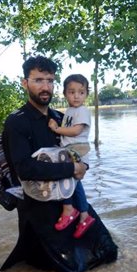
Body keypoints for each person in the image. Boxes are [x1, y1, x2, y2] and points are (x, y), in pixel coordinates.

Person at [0, 55, 118, 272]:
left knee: (107, 251)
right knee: (67, 269)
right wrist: (72, 169)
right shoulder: (17, 121)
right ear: (25, 83)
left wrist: (82, 167)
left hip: (68, 198)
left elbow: (78, 149)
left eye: (50, 80)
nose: (45, 87)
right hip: (37, 205)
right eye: (38, 80)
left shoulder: (60, 118)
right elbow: (24, 168)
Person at [48, 74, 94, 238]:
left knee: (65, 177)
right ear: (65, 93)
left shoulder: (82, 111)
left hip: (77, 150)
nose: (76, 96)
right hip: (70, 150)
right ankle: (84, 214)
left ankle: (69, 208)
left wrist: (56, 129)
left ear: (86, 94)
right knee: (75, 184)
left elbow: (76, 131)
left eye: (81, 92)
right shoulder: (70, 111)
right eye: (72, 92)